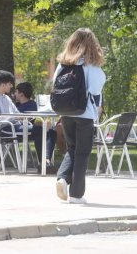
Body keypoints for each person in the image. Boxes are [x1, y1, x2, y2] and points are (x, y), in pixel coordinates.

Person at [54, 28, 106, 204]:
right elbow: (96, 89)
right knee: (82, 153)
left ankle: (62, 178)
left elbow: (55, 85)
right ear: (92, 44)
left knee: (72, 149)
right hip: (84, 113)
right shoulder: (91, 66)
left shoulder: (63, 64)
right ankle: (76, 194)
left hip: (66, 113)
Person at [14, 82, 57, 167]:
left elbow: (29, 118)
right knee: (40, 130)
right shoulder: (15, 105)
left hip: (30, 128)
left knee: (52, 132)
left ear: (21, 94)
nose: (14, 94)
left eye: (16, 92)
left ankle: (46, 160)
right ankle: (44, 162)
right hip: (18, 129)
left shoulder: (31, 104)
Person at [0, 70, 27, 136]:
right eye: (10, 84)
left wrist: (25, 116)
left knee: (39, 128)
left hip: (12, 126)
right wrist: (15, 117)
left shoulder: (6, 98)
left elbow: (16, 113)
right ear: (3, 85)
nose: (12, 86)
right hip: (2, 129)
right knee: (38, 130)